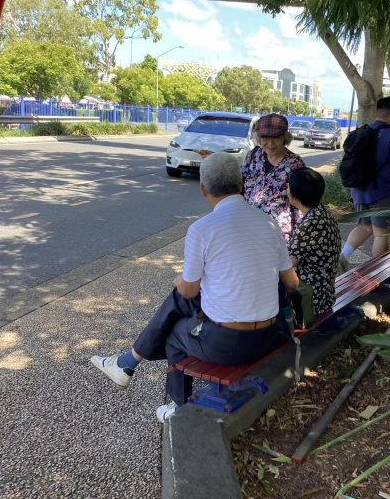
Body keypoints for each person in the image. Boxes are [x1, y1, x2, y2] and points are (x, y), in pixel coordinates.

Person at [91, 152, 299, 422]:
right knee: (184, 302)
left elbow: (188, 290)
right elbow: (291, 283)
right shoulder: (268, 223)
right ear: (241, 185)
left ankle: (177, 406)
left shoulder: (203, 229)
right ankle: (126, 363)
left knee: (174, 330)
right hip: (270, 336)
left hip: (230, 345)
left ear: (203, 189)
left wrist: (180, 280)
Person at [339, 96, 390, 270]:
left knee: (365, 227)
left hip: (359, 189)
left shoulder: (364, 131)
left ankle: (343, 258)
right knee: (381, 233)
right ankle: (379, 272)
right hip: (381, 192)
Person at [241, 113, 306, 243]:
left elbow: (300, 204)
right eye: (265, 137)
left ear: (284, 137)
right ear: (259, 138)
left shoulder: (295, 164)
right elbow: (239, 183)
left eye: (276, 137)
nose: (270, 143)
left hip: (277, 234)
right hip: (249, 228)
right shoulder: (253, 155)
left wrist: (298, 239)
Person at [287, 167, 341, 316]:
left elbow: (288, 263)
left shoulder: (309, 225)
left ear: (295, 195)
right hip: (325, 290)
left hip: (311, 296)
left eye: (288, 187)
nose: (287, 190)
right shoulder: (322, 213)